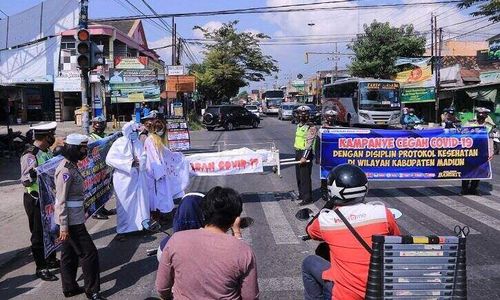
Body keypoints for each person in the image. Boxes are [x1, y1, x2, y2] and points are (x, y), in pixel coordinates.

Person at [302, 164, 401, 300]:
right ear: (364, 188)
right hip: (380, 289)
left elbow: (310, 230)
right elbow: (396, 241)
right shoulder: (383, 213)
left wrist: (330, 203)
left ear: (332, 191)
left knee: (308, 263)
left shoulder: (327, 221)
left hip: (346, 295)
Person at [155, 187, 259, 299]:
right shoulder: (243, 250)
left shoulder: (176, 240)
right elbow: (250, 297)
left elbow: (162, 289)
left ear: (204, 212)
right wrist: (237, 233)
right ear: (235, 219)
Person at [54, 134, 105, 300]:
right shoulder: (65, 170)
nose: (85, 151)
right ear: (74, 149)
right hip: (71, 221)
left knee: (69, 254)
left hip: (73, 218)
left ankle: (69, 287)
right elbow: (60, 200)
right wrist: (63, 226)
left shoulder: (72, 165)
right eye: (82, 148)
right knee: (89, 254)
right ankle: (93, 291)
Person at [19, 122, 59, 281]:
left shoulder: (46, 151)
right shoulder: (30, 154)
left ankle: (51, 258)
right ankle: (41, 267)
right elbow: (25, 180)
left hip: (48, 198)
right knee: (38, 234)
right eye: (51, 135)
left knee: (51, 230)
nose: (53, 138)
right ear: (46, 136)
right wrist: (35, 173)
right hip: (35, 199)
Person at [105, 121, 150, 240]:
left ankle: (141, 226)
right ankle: (123, 230)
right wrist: (129, 163)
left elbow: (144, 155)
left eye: (137, 131)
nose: (136, 133)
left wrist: (141, 162)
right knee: (125, 205)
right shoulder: (119, 143)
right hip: (124, 179)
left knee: (141, 203)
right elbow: (109, 159)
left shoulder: (137, 142)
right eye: (134, 131)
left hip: (139, 178)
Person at [144, 117, 190, 222]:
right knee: (157, 195)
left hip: (159, 173)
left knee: (161, 194)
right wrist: (159, 172)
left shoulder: (156, 140)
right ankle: (157, 215)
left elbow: (166, 154)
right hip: (155, 174)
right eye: (159, 128)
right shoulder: (151, 140)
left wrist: (179, 156)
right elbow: (154, 158)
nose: (160, 131)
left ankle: (160, 214)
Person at [461, 107, 495, 195]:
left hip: (482, 151)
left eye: (483, 114)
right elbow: (461, 133)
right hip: (469, 150)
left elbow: (490, 139)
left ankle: (473, 188)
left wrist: (491, 152)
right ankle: (464, 189)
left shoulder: (489, 126)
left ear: (486, 116)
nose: (480, 116)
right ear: (476, 115)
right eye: (479, 114)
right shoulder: (469, 123)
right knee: (467, 169)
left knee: (478, 170)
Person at [88, 116, 115, 220]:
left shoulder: (106, 135)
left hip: (104, 166)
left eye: (101, 124)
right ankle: (95, 211)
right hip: (94, 168)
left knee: (104, 189)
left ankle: (102, 207)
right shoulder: (90, 137)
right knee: (95, 190)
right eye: (96, 124)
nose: (99, 126)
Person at [294, 105, 318, 206]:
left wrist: (304, 156)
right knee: (299, 176)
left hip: (305, 154)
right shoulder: (299, 125)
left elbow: (309, 144)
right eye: (300, 114)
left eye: (304, 114)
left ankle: (307, 198)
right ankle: (301, 194)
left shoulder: (311, 127)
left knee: (305, 177)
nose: (302, 116)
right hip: (297, 152)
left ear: (308, 115)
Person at [315, 109, 339, 201]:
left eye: (332, 117)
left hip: (335, 156)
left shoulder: (338, 128)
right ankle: (324, 192)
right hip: (325, 156)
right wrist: (317, 157)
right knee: (325, 175)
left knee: (336, 175)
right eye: (329, 116)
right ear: (325, 117)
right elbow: (317, 144)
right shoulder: (322, 129)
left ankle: (334, 191)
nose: (330, 118)